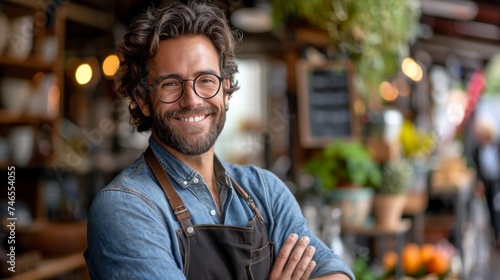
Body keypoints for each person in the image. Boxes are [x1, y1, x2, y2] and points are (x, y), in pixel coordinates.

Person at [84, 1, 354, 280]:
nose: (191, 100)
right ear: (143, 101)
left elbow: (335, 272)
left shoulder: (266, 192)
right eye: (170, 84)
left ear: (225, 89)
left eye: (206, 80)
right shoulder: (124, 208)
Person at [471, 115, 500, 249]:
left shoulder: (496, 146)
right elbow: (478, 168)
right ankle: (495, 235)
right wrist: (480, 182)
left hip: (497, 181)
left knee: (497, 209)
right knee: (490, 209)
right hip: (488, 182)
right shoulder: (478, 150)